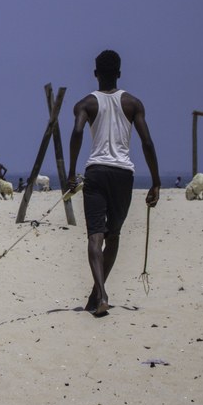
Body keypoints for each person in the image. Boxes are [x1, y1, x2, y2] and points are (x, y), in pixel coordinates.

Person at [67, 49, 160, 317]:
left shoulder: (85, 104)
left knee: (95, 235)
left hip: (95, 172)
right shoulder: (133, 103)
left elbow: (76, 132)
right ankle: (100, 293)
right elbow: (147, 143)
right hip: (122, 174)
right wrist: (155, 181)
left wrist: (71, 172)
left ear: (95, 74)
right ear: (119, 73)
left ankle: (99, 294)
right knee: (114, 235)